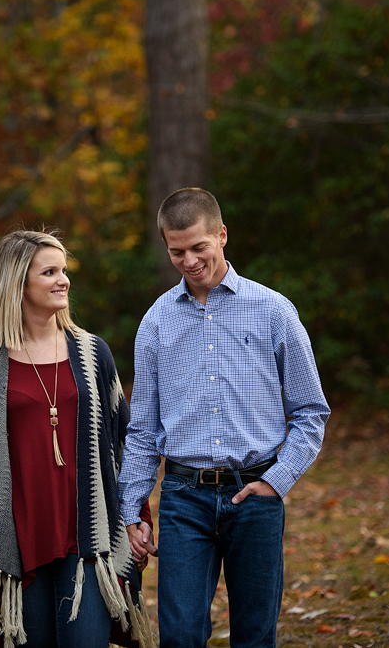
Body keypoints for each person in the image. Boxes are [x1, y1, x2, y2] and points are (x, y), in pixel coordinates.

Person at [119, 188, 330, 648]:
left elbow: (311, 411)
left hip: (255, 493)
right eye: (177, 251)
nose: (189, 261)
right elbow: (142, 431)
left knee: (255, 635)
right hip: (182, 498)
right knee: (179, 636)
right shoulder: (156, 323)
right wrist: (131, 509)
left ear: (222, 235)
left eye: (199, 247)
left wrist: (278, 480)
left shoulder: (274, 311)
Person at [0, 229, 157, 648]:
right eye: (49, 272)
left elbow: (125, 444)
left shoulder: (93, 354)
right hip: (17, 540)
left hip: (89, 534)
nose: (63, 280)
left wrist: (136, 516)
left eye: (64, 270)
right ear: (17, 282)